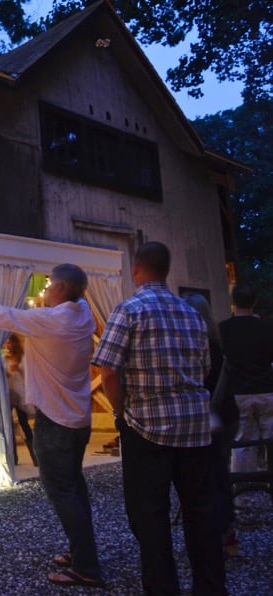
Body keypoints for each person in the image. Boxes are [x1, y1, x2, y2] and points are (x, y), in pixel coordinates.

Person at [0, 263, 103, 588]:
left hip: (55, 420)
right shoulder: (83, 313)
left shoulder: (50, 320)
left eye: (49, 286)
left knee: (62, 493)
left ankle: (87, 567)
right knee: (75, 487)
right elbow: (74, 295)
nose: (44, 292)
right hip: (79, 418)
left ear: (59, 290)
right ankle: (82, 552)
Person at [92, 241, 226, 595]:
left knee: (150, 516)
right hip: (195, 426)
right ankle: (210, 587)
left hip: (147, 426)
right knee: (201, 512)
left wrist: (121, 414)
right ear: (165, 271)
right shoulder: (192, 313)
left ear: (136, 270)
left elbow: (108, 372)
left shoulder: (129, 310)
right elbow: (205, 367)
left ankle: (163, 588)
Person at [185, 293, 238, 558]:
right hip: (226, 415)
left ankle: (211, 535)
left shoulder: (193, 345)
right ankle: (228, 531)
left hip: (203, 418)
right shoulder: (219, 343)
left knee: (206, 477)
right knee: (220, 474)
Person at [219, 283, 273, 477]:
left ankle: (242, 488)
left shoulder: (224, 329)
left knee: (242, 441)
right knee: (270, 437)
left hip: (238, 391)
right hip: (267, 389)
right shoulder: (266, 327)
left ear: (234, 302)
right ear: (255, 302)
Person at [2, 333, 37, 467]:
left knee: (24, 424)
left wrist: (19, 370)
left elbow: (28, 373)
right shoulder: (1, 356)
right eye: (6, 342)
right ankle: (13, 458)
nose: (8, 345)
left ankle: (35, 457)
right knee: (8, 425)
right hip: (7, 394)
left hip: (20, 394)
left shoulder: (22, 356)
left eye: (11, 342)